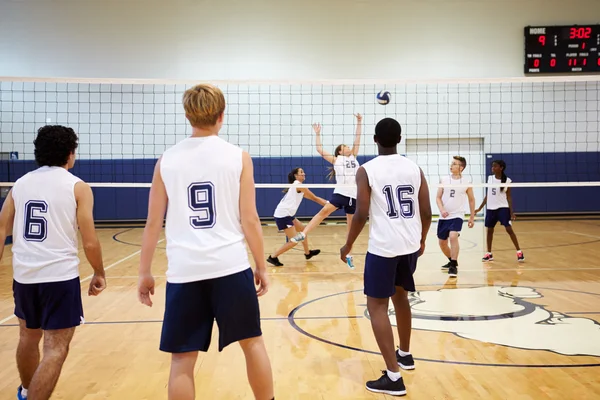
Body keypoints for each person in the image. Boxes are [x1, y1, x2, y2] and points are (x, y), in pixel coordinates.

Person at [137, 84, 274, 400]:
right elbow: (250, 219)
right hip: (230, 266)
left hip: (185, 271)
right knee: (252, 342)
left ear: (187, 115)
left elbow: (153, 223)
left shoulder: (166, 160)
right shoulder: (238, 157)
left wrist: (144, 272)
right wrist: (261, 265)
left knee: (182, 359)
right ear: (222, 115)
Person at [0, 125, 106, 400]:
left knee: (27, 337)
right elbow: (90, 241)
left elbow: (2, 229)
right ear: (70, 154)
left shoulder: (20, 184)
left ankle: (25, 391)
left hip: (24, 277)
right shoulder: (78, 187)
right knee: (55, 349)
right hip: (59, 278)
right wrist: (99, 272)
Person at [340, 118, 432, 396]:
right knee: (401, 297)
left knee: (377, 306)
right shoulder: (414, 168)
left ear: (374, 139)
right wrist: (422, 239)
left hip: (383, 248)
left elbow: (361, 213)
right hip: (409, 246)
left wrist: (347, 245)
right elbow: (426, 212)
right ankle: (404, 354)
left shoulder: (366, 170)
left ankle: (393, 377)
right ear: (399, 139)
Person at [291, 113, 362, 269]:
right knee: (324, 212)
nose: (349, 148)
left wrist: (359, 122)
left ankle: (348, 254)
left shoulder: (353, 157)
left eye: (349, 147)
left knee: (351, 227)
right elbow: (319, 149)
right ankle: (304, 233)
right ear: (340, 152)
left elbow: (357, 139)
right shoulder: (337, 160)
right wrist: (317, 134)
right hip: (341, 193)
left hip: (354, 195)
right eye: (346, 147)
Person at [266, 167, 327, 267]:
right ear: (296, 176)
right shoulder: (298, 185)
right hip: (283, 215)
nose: (304, 174)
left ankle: (308, 254)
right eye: (301, 172)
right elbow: (315, 198)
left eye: (303, 172)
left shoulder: (298, 186)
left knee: (303, 230)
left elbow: (312, 198)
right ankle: (273, 257)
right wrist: (330, 204)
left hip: (288, 214)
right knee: (294, 241)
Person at [475, 160, 524, 262]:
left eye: (495, 166)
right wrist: (480, 208)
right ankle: (489, 254)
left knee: (509, 229)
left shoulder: (507, 181)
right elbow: (488, 195)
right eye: (492, 166)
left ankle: (519, 252)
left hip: (502, 208)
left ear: (501, 168)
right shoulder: (490, 178)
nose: (492, 168)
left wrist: (511, 212)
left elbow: (509, 197)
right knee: (489, 231)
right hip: (490, 209)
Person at [436, 156, 476, 278]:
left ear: (461, 167)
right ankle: (451, 259)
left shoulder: (466, 182)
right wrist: (442, 209)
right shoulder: (444, 179)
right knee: (442, 243)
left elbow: (471, 200)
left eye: (454, 164)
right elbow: (438, 197)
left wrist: (472, 217)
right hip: (444, 216)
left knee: (453, 236)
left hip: (458, 214)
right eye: (451, 163)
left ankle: (453, 265)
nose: (451, 165)